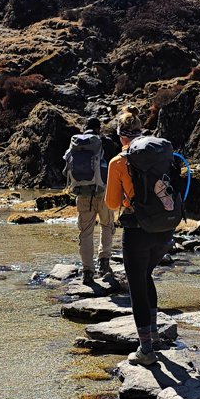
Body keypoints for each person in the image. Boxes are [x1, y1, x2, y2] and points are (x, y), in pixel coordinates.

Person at [104, 108, 175, 366]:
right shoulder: (160, 153)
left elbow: (112, 204)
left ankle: (146, 350)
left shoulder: (118, 162)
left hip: (137, 230)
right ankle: (154, 337)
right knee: (146, 276)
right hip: (165, 228)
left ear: (120, 135)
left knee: (137, 286)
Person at [71, 116, 119, 285]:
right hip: (104, 193)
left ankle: (87, 272)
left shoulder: (75, 144)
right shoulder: (106, 143)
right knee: (107, 225)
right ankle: (104, 262)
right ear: (99, 128)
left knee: (85, 233)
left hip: (82, 194)